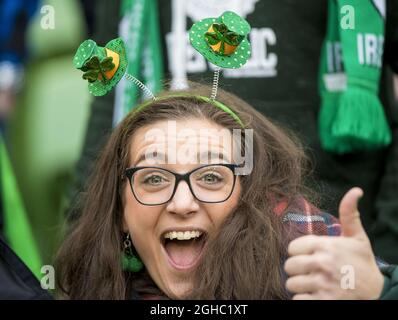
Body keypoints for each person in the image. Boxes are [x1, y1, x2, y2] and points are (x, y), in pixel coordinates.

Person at [55, 83, 345, 299]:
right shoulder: (98, 289)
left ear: (251, 197)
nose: (182, 204)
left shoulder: (316, 269)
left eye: (210, 176)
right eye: (154, 179)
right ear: (120, 210)